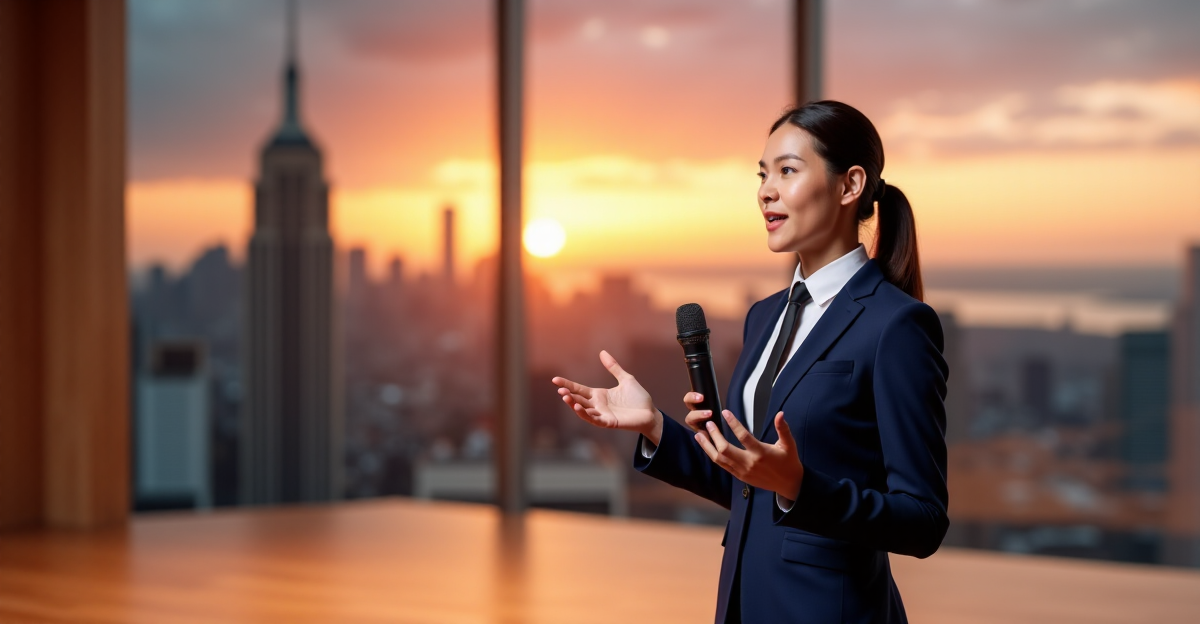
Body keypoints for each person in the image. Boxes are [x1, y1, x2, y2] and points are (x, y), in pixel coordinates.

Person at [551, 100, 949, 624]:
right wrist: (655, 427)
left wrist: (800, 487)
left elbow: (922, 521)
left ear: (850, 186)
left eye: (787, 170)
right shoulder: (764, 317)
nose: (765, 190)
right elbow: (748, 485)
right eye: (763, 174)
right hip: (745, 604)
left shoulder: (896, 326)